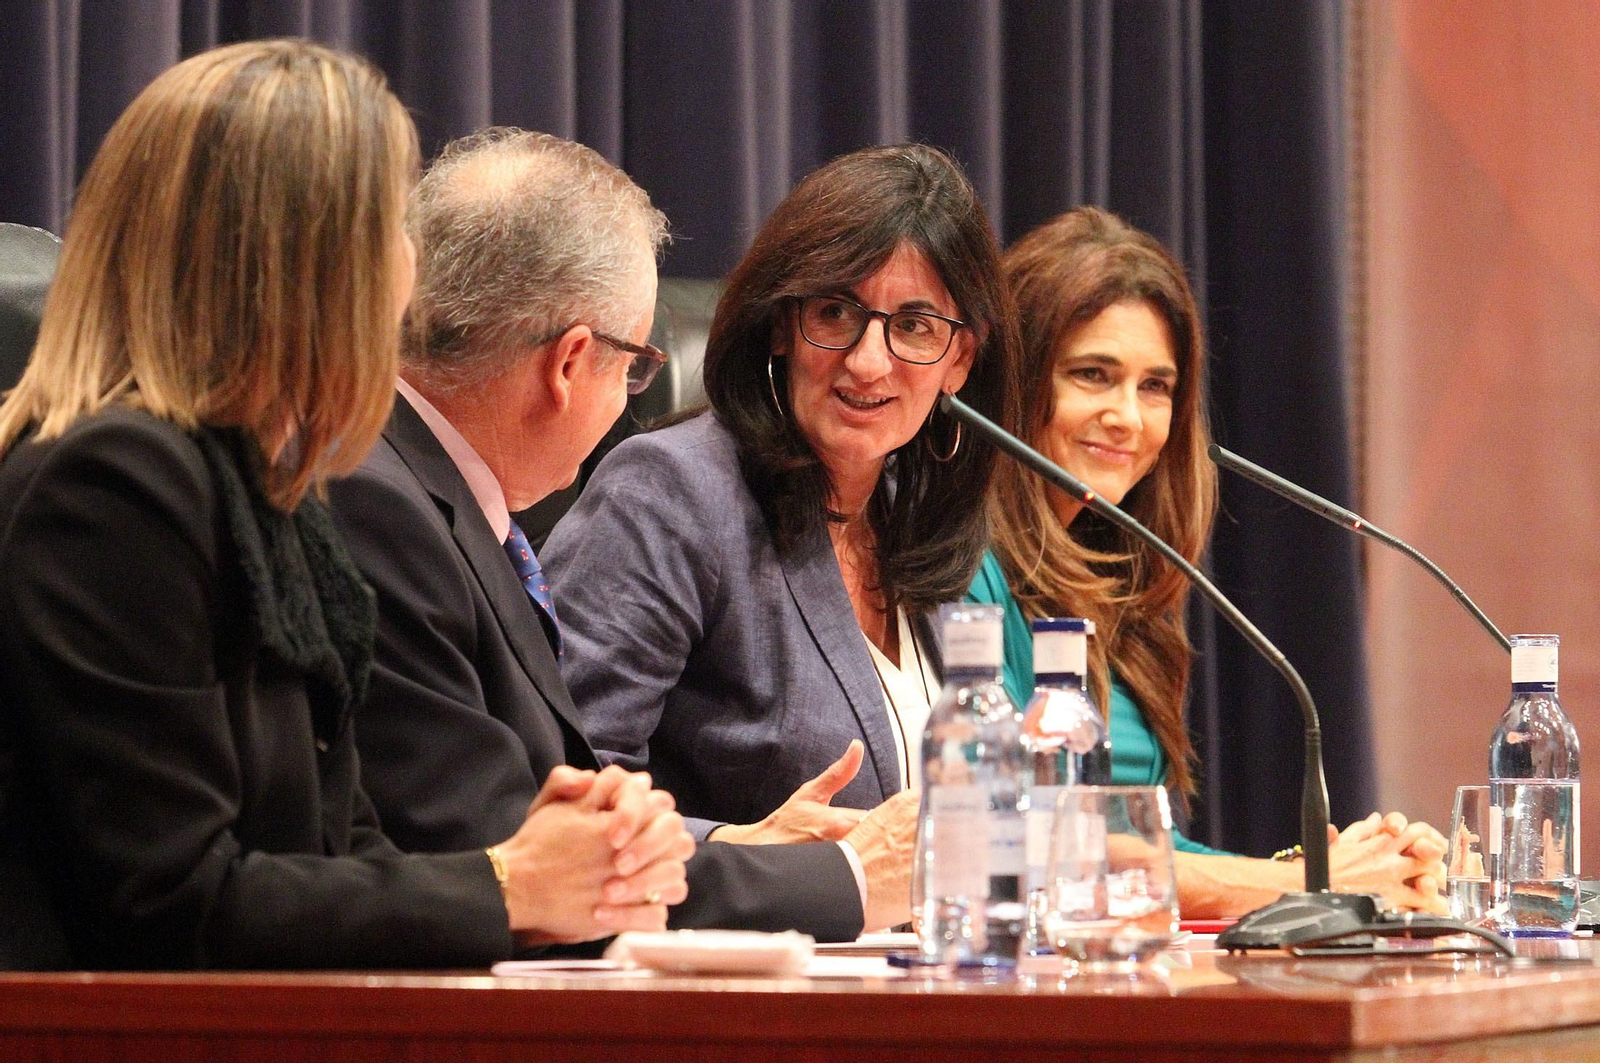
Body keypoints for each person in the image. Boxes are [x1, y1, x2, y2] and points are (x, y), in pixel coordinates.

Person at [0, 42, 690, 971]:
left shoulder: (259, 488)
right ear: (300, 265)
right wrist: (511, 884)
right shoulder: (118, 483)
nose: (413, 273)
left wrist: (539, 860)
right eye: (392, 229)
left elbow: (342, 851)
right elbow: (171, 900)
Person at [327, 127, 910, 937]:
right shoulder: (382, 509)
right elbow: (528, 864)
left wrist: (740, 850)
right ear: (570, 364)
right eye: (635, 362)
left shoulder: (430, 496)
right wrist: (845, 877)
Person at [542, 144, 1021, 930]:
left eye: (915, 326)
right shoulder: (672, 493)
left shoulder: (923, 526)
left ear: (960, 358)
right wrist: (742, 845)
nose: (871, 362)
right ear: (780, 326)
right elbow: (561, 789)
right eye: (835, 313)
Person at [966, 206, 1446, 916]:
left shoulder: (1116, 582)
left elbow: (1148, 850)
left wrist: (1350, 870)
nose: (1128, 416)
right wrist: (1309, 883)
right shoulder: (966, 568)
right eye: (1093, 374)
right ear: (1015, 381)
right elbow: (1022, 837)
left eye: (1154, 386)